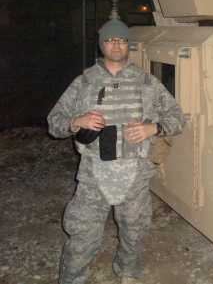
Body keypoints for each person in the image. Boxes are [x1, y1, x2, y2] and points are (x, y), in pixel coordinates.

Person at [47, 19, 186, 284]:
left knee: (134, 230)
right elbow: (54, 123)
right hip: (92, 174)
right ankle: (72, 278)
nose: (116, 45)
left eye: (122, 40)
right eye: (110, 40)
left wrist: (153, 127)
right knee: (82, 233)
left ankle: (128, 274)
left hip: (135, 172)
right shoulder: (84, 82)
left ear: (128, 45)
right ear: (101, 45)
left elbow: (177, 117)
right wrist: (78, 121)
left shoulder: (147, 82)